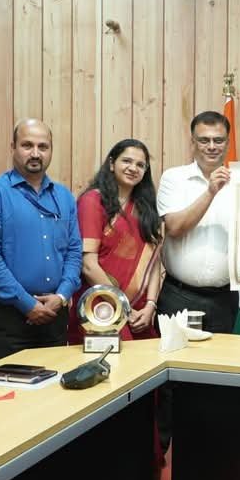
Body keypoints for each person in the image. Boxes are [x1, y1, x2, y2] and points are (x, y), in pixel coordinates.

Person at [0, 119, 81, 363]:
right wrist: (27, 304)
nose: (35, 153)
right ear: (13, 147)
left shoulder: (64, 196)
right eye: (27, 145)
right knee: (7, 386)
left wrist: (61, 296)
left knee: (54, 386)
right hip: (8, 320)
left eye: (43, 147)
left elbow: (74, 252)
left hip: (54, 316)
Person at [157, 111, 240, 333]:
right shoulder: (174, 178)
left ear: (227, 143)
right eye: (204, 140)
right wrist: (210, 191)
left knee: (219, 356)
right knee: (175, 355)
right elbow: (175, 228)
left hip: (224, 298)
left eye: (218, 140)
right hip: (179, 295)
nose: (212, 146)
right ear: (193, 143)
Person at [69, 139, 163, 344]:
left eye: (140, 165)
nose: (133, 168)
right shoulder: (93, 201)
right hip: (100, 306)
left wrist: (150, 305)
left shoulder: (145, 208)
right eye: (126, 161)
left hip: (140, 312)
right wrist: (124, 307)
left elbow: (153, 261)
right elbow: (88, 265)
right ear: (112, 164)